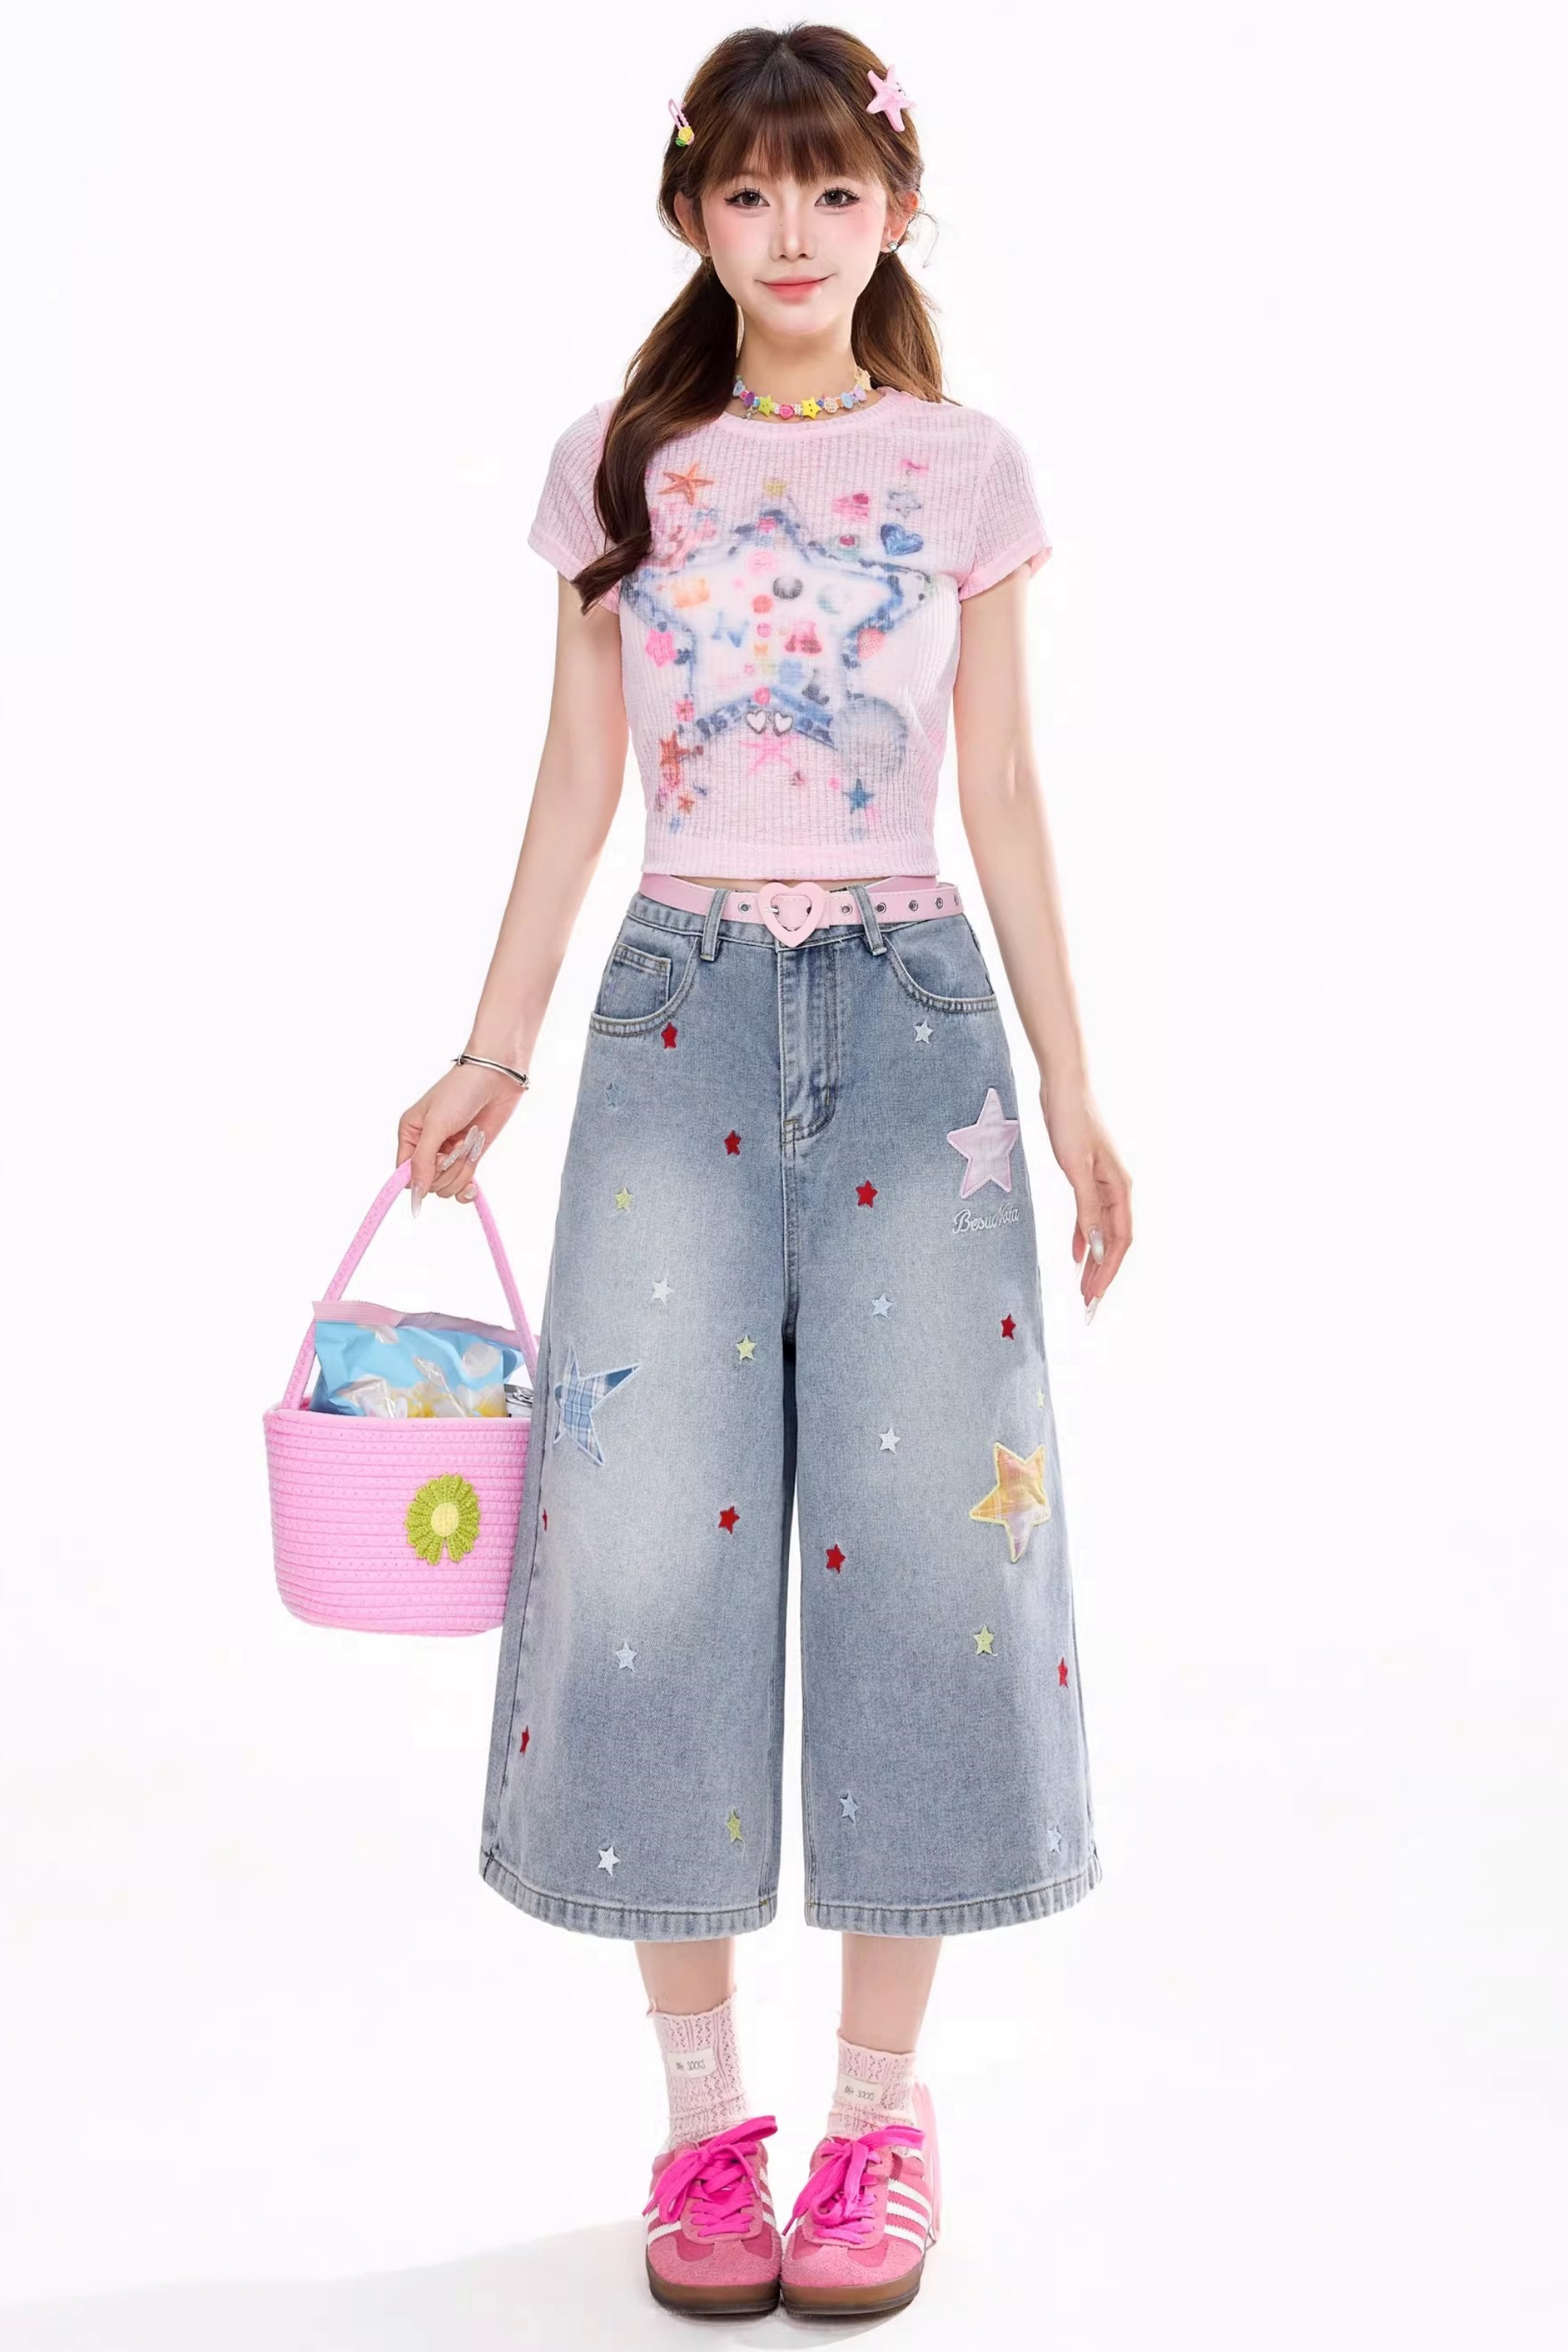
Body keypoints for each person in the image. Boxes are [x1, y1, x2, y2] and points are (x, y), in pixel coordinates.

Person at [396, 23, 1131, 2323]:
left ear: (893, 209)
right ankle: (707, 2119)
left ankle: (882, 2122)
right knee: (646, 1542)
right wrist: (494, 1046)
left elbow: (1002, 792)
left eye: (832, 191)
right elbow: (570, 786)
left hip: (916, 1028)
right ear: (693, 212)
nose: (792, 233)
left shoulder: (970, 469)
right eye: (749, 192)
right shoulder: (628, 468)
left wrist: (1078, 1091)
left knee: (930, 1552)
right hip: (675, 1011)